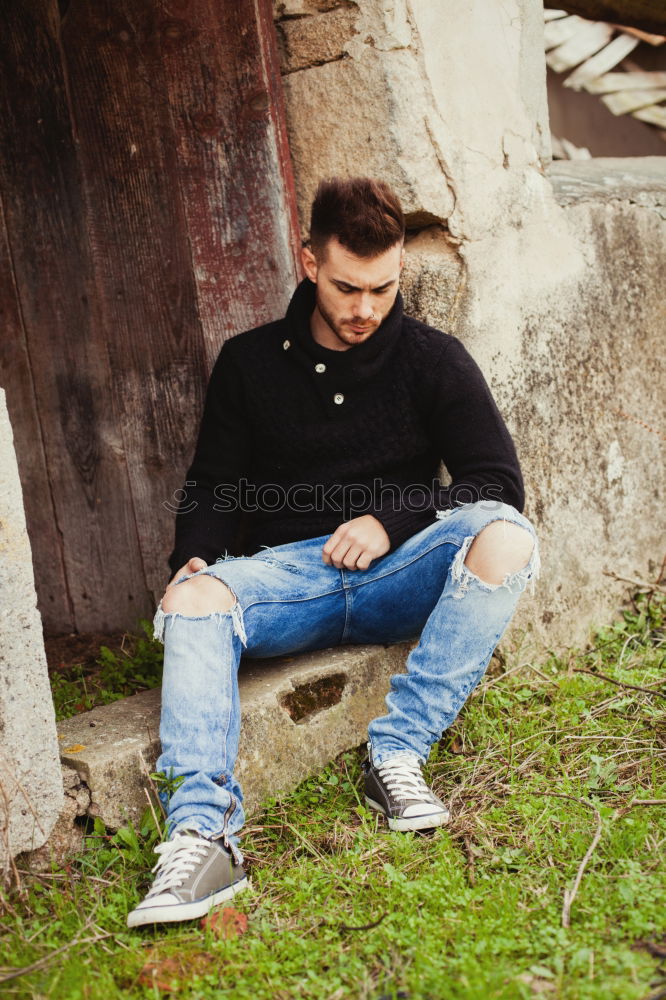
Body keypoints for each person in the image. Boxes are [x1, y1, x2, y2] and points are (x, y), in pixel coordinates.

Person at [127, 177, 538, 928]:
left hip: (397, 572)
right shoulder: (248, 363)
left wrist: (391, 517)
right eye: (348, 287)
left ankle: (397, 755)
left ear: (399, 275)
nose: (365, 310)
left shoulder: (432, 359)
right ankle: (204, 834)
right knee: (192, 600)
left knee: (506, 536)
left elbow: (496, 482)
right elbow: (214, 483)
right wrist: (195, 554)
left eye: (382, 289)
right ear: (311, 262)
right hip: (292, 580)